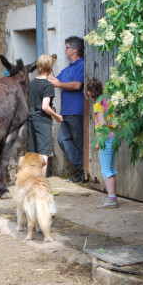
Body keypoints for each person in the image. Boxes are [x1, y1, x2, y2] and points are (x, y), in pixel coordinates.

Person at [48, 36, 85, 182]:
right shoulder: (68, 69)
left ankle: (81, 172)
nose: (65, 50)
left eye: (67, 47)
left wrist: (59, 85)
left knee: (77, 142)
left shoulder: (82, 65)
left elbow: (77, 85)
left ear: (75, 50)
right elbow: (55, 81)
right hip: (66, 112)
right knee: (62, 139)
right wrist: (49, 67)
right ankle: (80, 167)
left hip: (77, 111)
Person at [27, 54, 63, 178]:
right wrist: (56, 116)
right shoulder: (48, 85)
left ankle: (33, 182)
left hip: (30, 120)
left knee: (33, 153)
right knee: (43, 154)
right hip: (42, 121)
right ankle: (41, 184)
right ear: (50, 68)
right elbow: (45, 106)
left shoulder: (32, 82)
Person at [86, 78, 118, 209]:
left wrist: (98, 141)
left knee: (106, 169)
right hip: (113, 137)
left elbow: (101, 124)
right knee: (111, 169)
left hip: (105, 139)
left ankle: (111, 200)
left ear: (89, 92)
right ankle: (112, 196)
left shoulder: (97, 105)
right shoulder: (109, 101)